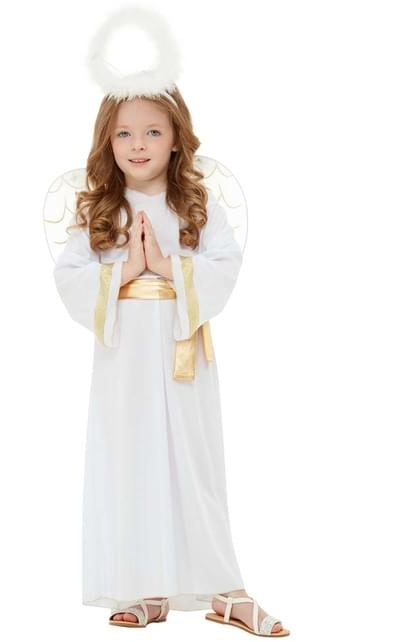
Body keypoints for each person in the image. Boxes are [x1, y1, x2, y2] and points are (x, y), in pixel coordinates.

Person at [52, 85, 289, 636]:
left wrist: (166, 264)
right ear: (108, 141)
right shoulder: (100, 210)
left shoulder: (195, 206)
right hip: (124, 362)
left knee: (193, 463)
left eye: (153, 131)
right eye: (124, 133)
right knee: (131, 459)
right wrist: (127, 271)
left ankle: (227, 590)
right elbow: (69, 278)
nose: (138, 144)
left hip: (182, 353)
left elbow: (225, 266)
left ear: (177, 138)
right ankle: (144, 586)